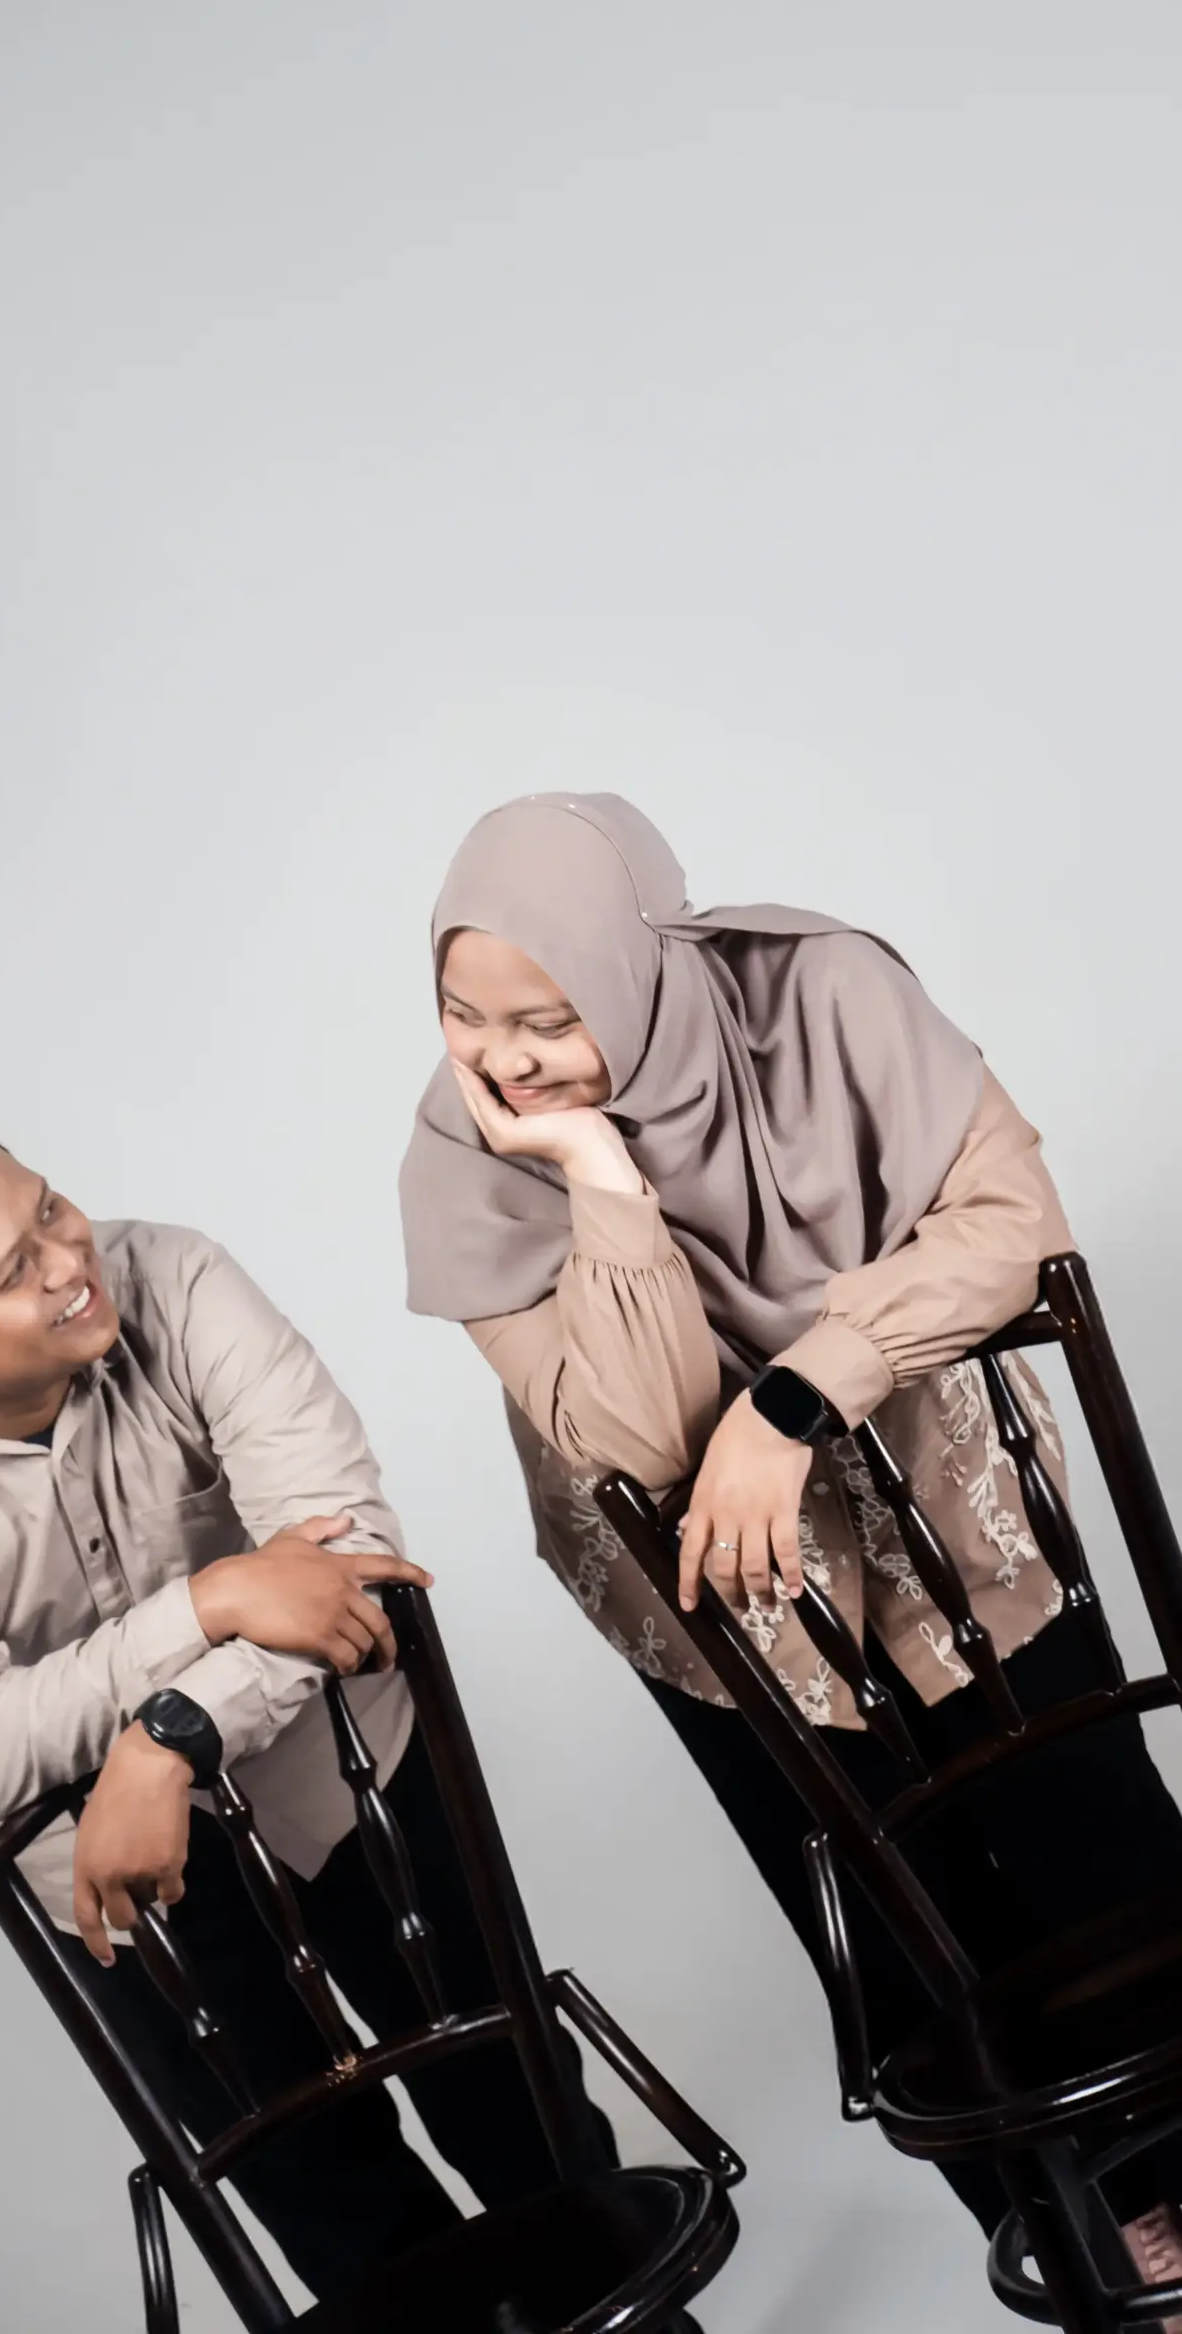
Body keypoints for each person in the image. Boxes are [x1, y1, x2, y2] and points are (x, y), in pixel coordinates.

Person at [398, 790, 1182, 2310]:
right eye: (461, 1012)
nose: (500, 1059)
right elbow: (636, 1438)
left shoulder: (819, 993)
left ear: (638, 958)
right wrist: (599, 1178)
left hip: (951, 1518)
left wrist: (795, 1393)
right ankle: (1096, 2249)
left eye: (547, 1016)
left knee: (1098, 1852)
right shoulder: (464, 1158)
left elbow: (1010, 1219)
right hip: (732, 1612)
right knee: (906, 1939)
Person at [0, 1106, 632, 2311]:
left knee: (518, 2108)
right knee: (333, 2202)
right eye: (15, 1270)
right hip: (125, 1878)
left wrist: (165, 1740)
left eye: (50, 1208)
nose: (70, 1260)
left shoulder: (175, 1276)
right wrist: (216, 1598)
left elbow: (352, 1559)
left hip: (342, 1770)